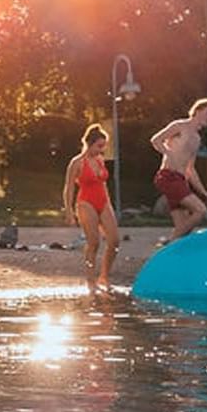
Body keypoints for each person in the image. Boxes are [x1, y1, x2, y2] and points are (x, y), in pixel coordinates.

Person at [150, 98, 207, 240]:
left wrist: (203, 191)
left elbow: (190, 169)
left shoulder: (197, 139)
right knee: (200, 211)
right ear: (197, 111)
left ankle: (174, 252)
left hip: (181, 180)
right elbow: (156, 140)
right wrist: (168, 153)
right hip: (168, 177)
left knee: (183, 229)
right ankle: (168, 244)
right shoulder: (180, 126)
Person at [63, 123, 119, 296]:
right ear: (89, 143)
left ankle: (104, 276)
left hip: (103, 201)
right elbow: (69, 188)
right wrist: (69, 212)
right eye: (99, 146)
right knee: (94, 242)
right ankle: (90, 281)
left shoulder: (100, 160)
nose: (102, 149)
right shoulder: (77, 162)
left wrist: (108, 205)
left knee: (115, 241)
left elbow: (103, 184)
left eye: (104, 146)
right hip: (85, 202)